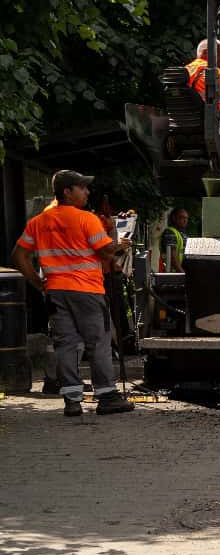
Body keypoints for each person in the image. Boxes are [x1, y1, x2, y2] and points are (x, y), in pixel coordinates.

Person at [11, 170, 135, 416]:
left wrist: (39, 283)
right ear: (67, 192)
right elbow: (105, 253)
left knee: (66, 345)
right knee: (98, 342)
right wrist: (119, 243)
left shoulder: (38, 221)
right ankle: (107, 397)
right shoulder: (86, 219)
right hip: (87, 291)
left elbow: (18, 255)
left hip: (56, 292)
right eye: (82, 188)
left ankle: (72, 400)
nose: (87, 192)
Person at [160, 207, 189, 273]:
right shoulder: (170, 232)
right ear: (174, 218)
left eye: (186, 218)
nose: (185, 220)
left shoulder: (181, 233)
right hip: (174, 274)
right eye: (182, 217)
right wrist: (182, 274)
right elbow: (172, 258)